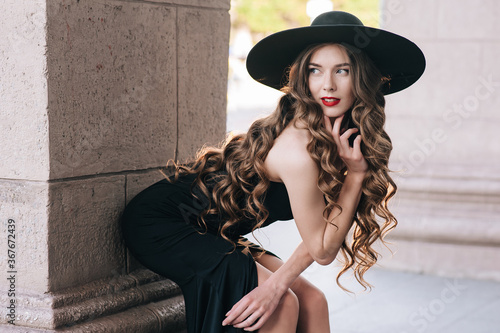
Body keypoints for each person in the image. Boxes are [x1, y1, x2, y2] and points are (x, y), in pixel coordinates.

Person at [121, 11, 425, 333]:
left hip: (212, 229)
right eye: (315, 71)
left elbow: (321, 233)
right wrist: (356, 175)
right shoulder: (299, 147)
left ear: (363, 78)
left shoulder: (333, 134)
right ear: (303, 79)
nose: (328, 84)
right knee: (282, 305)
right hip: (162, 224)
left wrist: (356, 173)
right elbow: (323, 249)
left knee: (313, 301)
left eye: (342, 71)